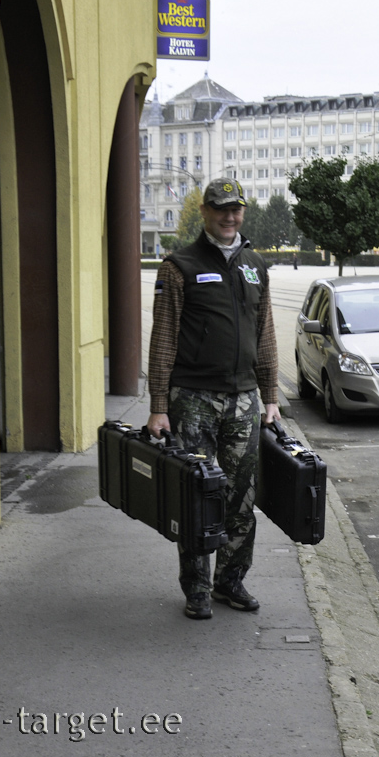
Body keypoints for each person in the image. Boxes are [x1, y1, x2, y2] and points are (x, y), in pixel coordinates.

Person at [146, 177, 280, 620]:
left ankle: (230, 582)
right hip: (193, 400)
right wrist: (159, 406)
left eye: (236, 209)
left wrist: (271, 397)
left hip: (244, 400)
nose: (229, 217)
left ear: (244, 212)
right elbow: (163, 338)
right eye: (220, 209)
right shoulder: (178, 266)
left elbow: (266, 337)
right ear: (204, 212)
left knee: (241, 498)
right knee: (198, 497)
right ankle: (197, 589)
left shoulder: (256, 265)